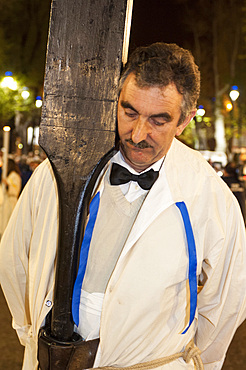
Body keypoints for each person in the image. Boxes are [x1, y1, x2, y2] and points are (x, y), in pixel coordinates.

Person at [0, 42, 246, 370]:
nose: (137, 133)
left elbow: (226, 302)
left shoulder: (210, 196)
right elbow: (14, 258)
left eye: (159, 121)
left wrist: (180, 360)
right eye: (129, 112)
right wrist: (30, 335)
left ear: (185, 120)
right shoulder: (60, 168)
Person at [0, 158, 22, 236]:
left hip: (11, 202)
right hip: (6, 202)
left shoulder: (14, 176)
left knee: (8, 223)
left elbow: (16, 190)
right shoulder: (8, 175)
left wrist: (7, 185)